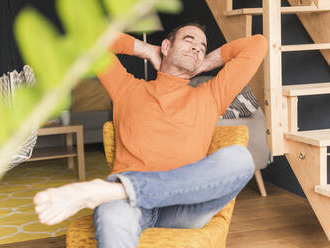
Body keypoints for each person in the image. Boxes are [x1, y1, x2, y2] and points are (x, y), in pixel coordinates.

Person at [33, 23, 268, 247]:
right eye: (189, 40)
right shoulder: (126, 88)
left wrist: (205, 62)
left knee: (240, 158)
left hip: (183, 207)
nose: (197, 47)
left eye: (202, 46)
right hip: (128, 206)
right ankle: (122, 193)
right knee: (112, 214)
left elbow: (258, 44)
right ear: (166, 47)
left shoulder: (211, 95)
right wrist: (146, 50)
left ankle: (121, 189)